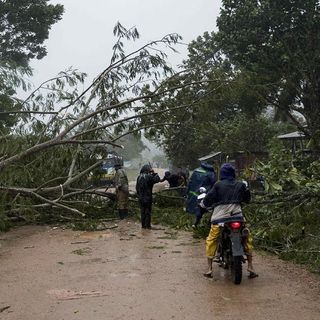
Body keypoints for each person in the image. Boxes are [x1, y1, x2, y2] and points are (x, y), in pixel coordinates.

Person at [201, 163, 258, 278]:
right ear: (233, 174)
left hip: (219, 218)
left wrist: (202, 204)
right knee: (247, 237)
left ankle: (209, 268)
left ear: (222, 174)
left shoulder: (218, 185)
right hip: (238, 217)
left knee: (212, 239)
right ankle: (251, 266)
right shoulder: (241, 185)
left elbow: (208, 200)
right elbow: (247, 199)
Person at [186, 162, 216, 227]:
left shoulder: (196, 170)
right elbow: (214, 185)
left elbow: (190, 182)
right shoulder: (211, 173)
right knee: (202, 207)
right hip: (204, 194)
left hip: (193, 193)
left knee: (193, 207)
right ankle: (198, 222)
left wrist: (187, 192)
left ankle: (192, 220)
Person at [136, 164, 160, 229]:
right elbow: (157, 180)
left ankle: (143, 226)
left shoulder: (139, 177)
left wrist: (139, 195)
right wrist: (154, 173)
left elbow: (137, 188)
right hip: (148, 197)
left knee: (142, 211)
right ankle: (148, 226)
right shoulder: (149, 176)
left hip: (141, 197)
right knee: (148, 212)